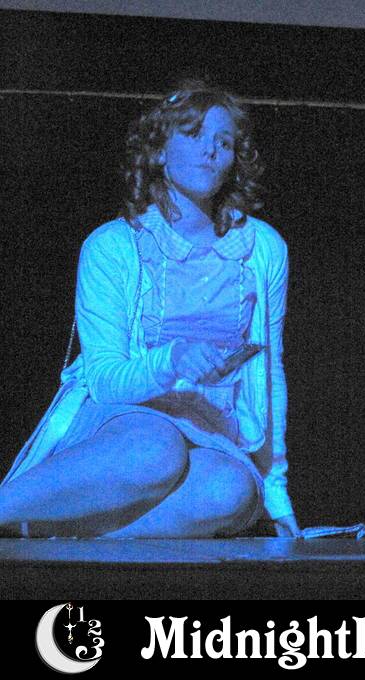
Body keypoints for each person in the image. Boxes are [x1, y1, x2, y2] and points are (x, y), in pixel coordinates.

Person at [0, 82, 300, 538]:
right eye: (194, 135)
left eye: (223, 142)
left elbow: (269, 373)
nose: (211, 151)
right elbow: (105, 380)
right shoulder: (113, 246)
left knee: (232, 491)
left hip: (209, 428)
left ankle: (61, 536)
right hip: (123, 420)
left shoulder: (262, 249)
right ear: (159, 151)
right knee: (155, 450)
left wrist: (276, 493)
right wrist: (172, 359)